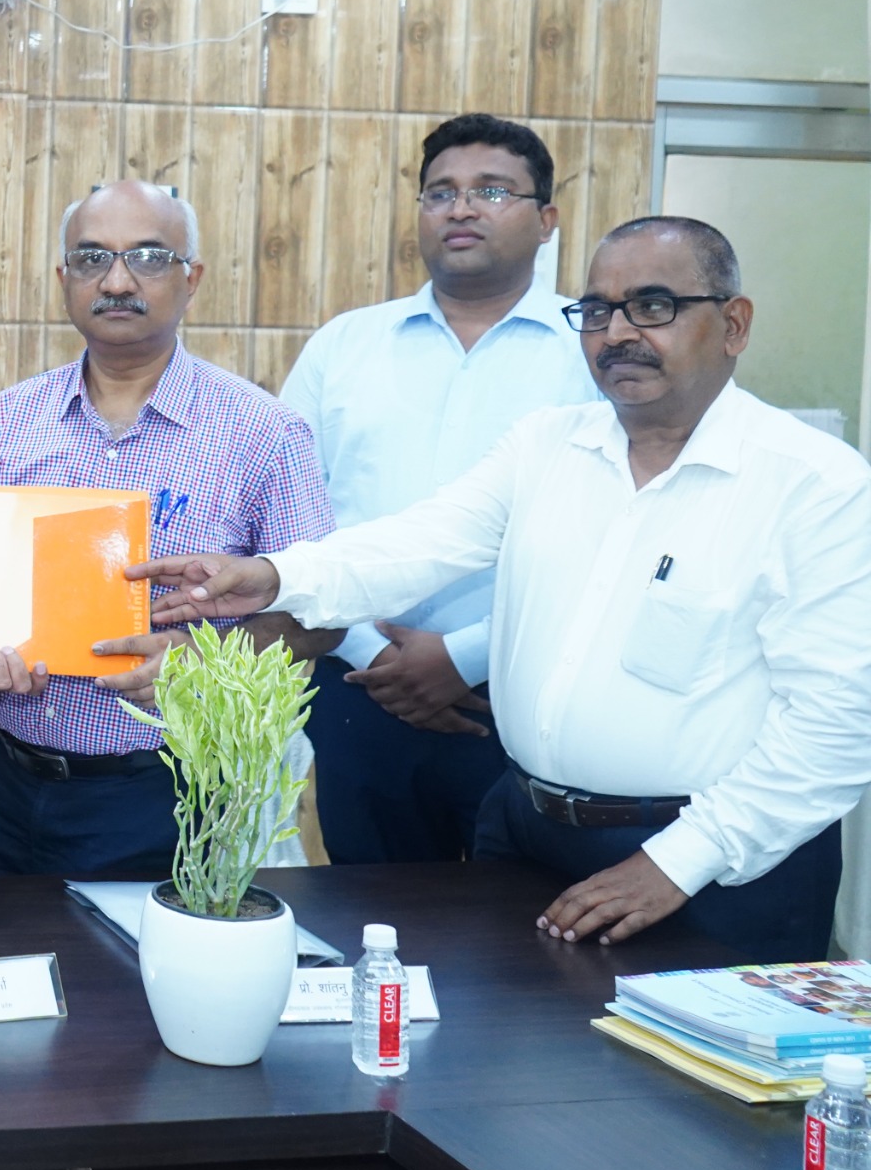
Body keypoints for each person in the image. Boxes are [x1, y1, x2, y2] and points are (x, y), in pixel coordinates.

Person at [138, 218, 871, 961]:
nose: (618, 333)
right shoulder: (547, 445)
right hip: (529, 838)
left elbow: (838, 724)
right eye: (597, 310)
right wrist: (275, 577)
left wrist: (678, 861)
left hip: (717, 870)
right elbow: (419, 543)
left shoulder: (817, 486)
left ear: (734, 323)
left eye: (653, 306)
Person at [0, 179, 339, 878]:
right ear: (64, 280)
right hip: (2, 782)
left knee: (136, 957)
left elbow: (322, 619)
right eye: (92, 258)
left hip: (170, 790)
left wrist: (205, 661)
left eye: (150, 258)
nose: (118, 280)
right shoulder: (7, 421)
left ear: (192, 279)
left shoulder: (265, 433)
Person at [280, 115, 598, 864]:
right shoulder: (345, 345)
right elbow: (289, 510)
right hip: (361, 689)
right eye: (441, 192)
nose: (462, 208)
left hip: (523, 693)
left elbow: (608, 532)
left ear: (547, 220)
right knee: (372, 909)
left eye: (492, 191)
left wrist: (466, 655)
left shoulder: (592, 352)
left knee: (518, 919)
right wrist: (371, 654)